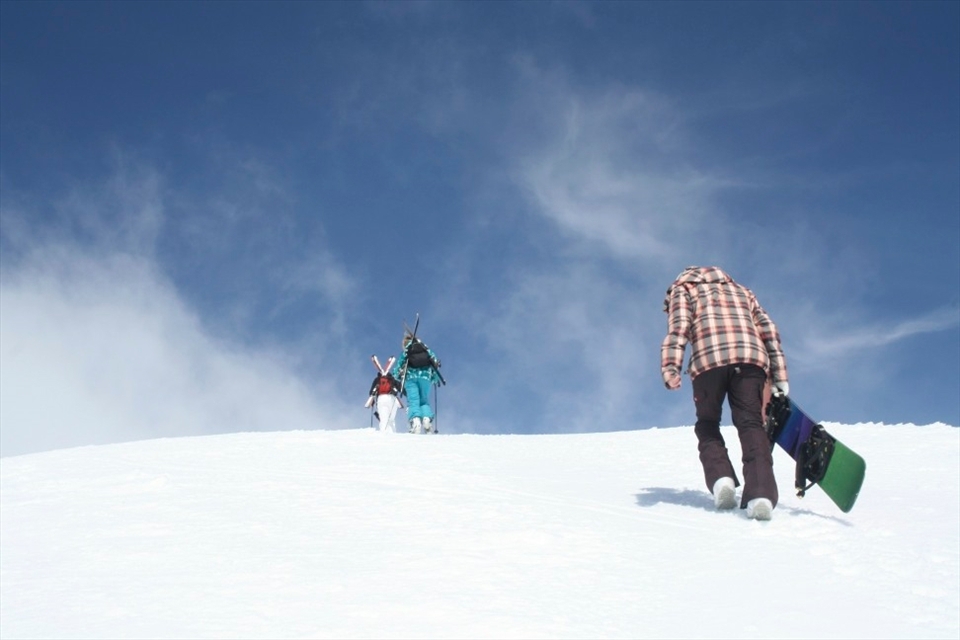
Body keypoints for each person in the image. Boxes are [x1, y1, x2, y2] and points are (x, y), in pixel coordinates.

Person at [660, 266, 789, 521]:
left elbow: (679, 327)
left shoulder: (683, 289)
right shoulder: (741, 291)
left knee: (707, 423)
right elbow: (769, 330)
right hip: (751, 360)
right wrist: (779, 378)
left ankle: (722, 480)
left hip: (709, 363)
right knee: (751, 424)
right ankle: (761, 494)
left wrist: (671, 367)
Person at [391, 333, 443, 434]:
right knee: (424, 401)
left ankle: (416, 422)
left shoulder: (407, 351)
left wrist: (397, 376)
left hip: (411, 378)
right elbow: (435, 363)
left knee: (413, 401)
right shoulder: (426, 349)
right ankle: (427, 419)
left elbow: (398, 368)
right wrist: (435, 379)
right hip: (425, 378)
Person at [365, 368, 402, 434]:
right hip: (392, 400)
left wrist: (372, 401)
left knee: (384, 420)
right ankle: (393, 436)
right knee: (391, 420)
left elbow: (371, 392)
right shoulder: (392, 379)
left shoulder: (377, 380)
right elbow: (401, 388)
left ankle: (384, 436)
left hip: (381, 399)